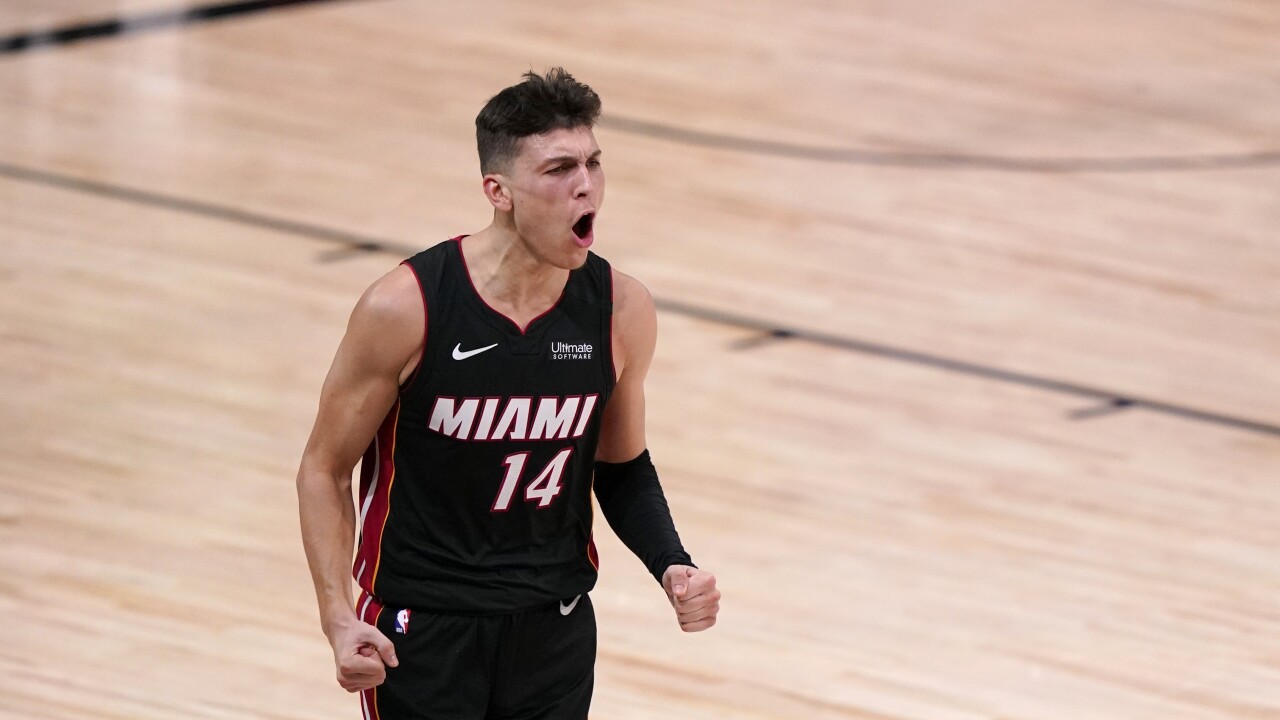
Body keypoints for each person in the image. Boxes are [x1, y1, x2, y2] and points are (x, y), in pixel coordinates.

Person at [296, 67, 720, 720]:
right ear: (499, 190)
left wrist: (672, 563)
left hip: (554, 626)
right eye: (557, 169)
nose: (585, 185)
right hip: (423, 626)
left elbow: (622, 466)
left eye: (592, 163)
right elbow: (324, 468)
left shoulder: (620, 310)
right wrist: (336, 615)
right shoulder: (405, 308)